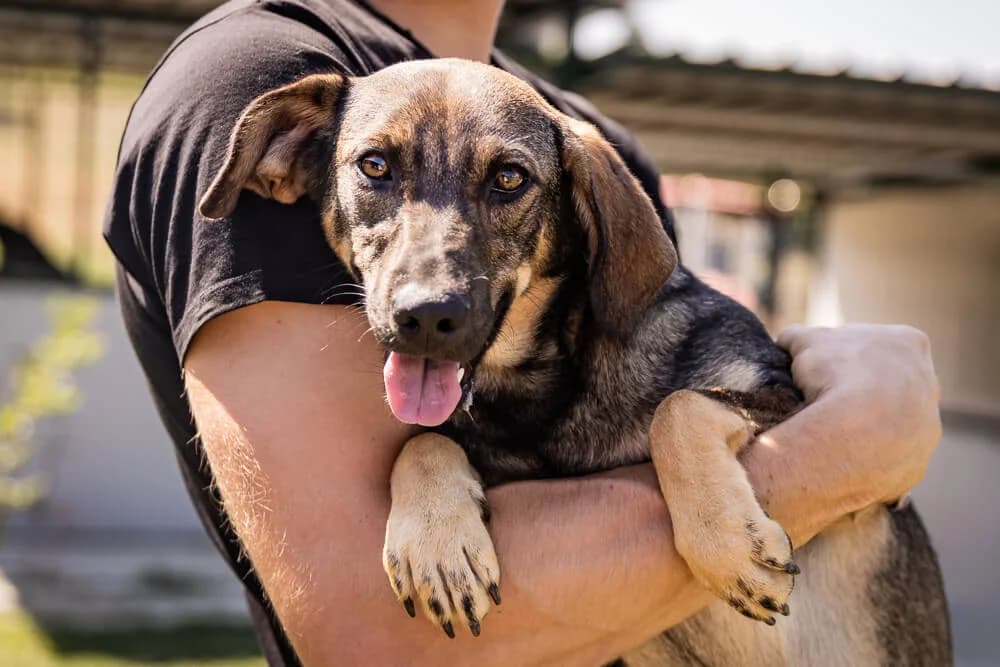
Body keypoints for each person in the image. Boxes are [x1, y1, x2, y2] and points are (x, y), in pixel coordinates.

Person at [103, 0, 943, 664]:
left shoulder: (593, 151)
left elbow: (707, 364)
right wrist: (845, 447)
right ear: (284, 158)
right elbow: (374, 639)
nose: (430, 279)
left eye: (504, 180)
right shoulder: (258, 69)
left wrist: (708, 429)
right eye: (378, 172)